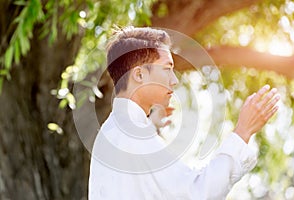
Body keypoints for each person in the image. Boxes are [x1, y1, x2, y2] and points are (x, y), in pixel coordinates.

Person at [88, 26, 280, 199]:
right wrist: (243, 132)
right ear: (139, 75)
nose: (174, 80)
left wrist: (151, 123)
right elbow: (197, 191)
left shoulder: (112, 131)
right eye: (167, 69)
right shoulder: (136, 134)